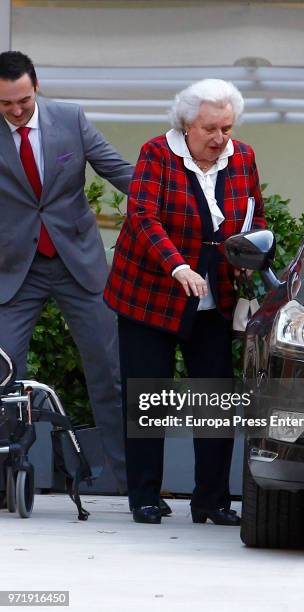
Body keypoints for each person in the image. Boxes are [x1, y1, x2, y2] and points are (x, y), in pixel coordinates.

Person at [105, 78, 266, 524]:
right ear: (186, 124)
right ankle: (144, 497)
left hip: (215, 295)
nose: (219, 139)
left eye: (227, 129)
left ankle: (211, 500)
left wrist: (248, 256)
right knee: (148, 396)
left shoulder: (244, 156)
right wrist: (178, 266)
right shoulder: (158, 153)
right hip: (150, 294)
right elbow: (142, 216)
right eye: (210, 129)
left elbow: (254, 214)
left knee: (214, 396)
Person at [0, 50, 134, 494]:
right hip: (14, 270)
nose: (17, 111)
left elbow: (117, 170)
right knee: (2, 373)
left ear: (36, 86)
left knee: (109, 370)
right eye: (6, 104)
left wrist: (172, 198)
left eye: (23, 100)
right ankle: (8, 478)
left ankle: (127, 480)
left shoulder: (70, 120)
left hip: (78, 263)